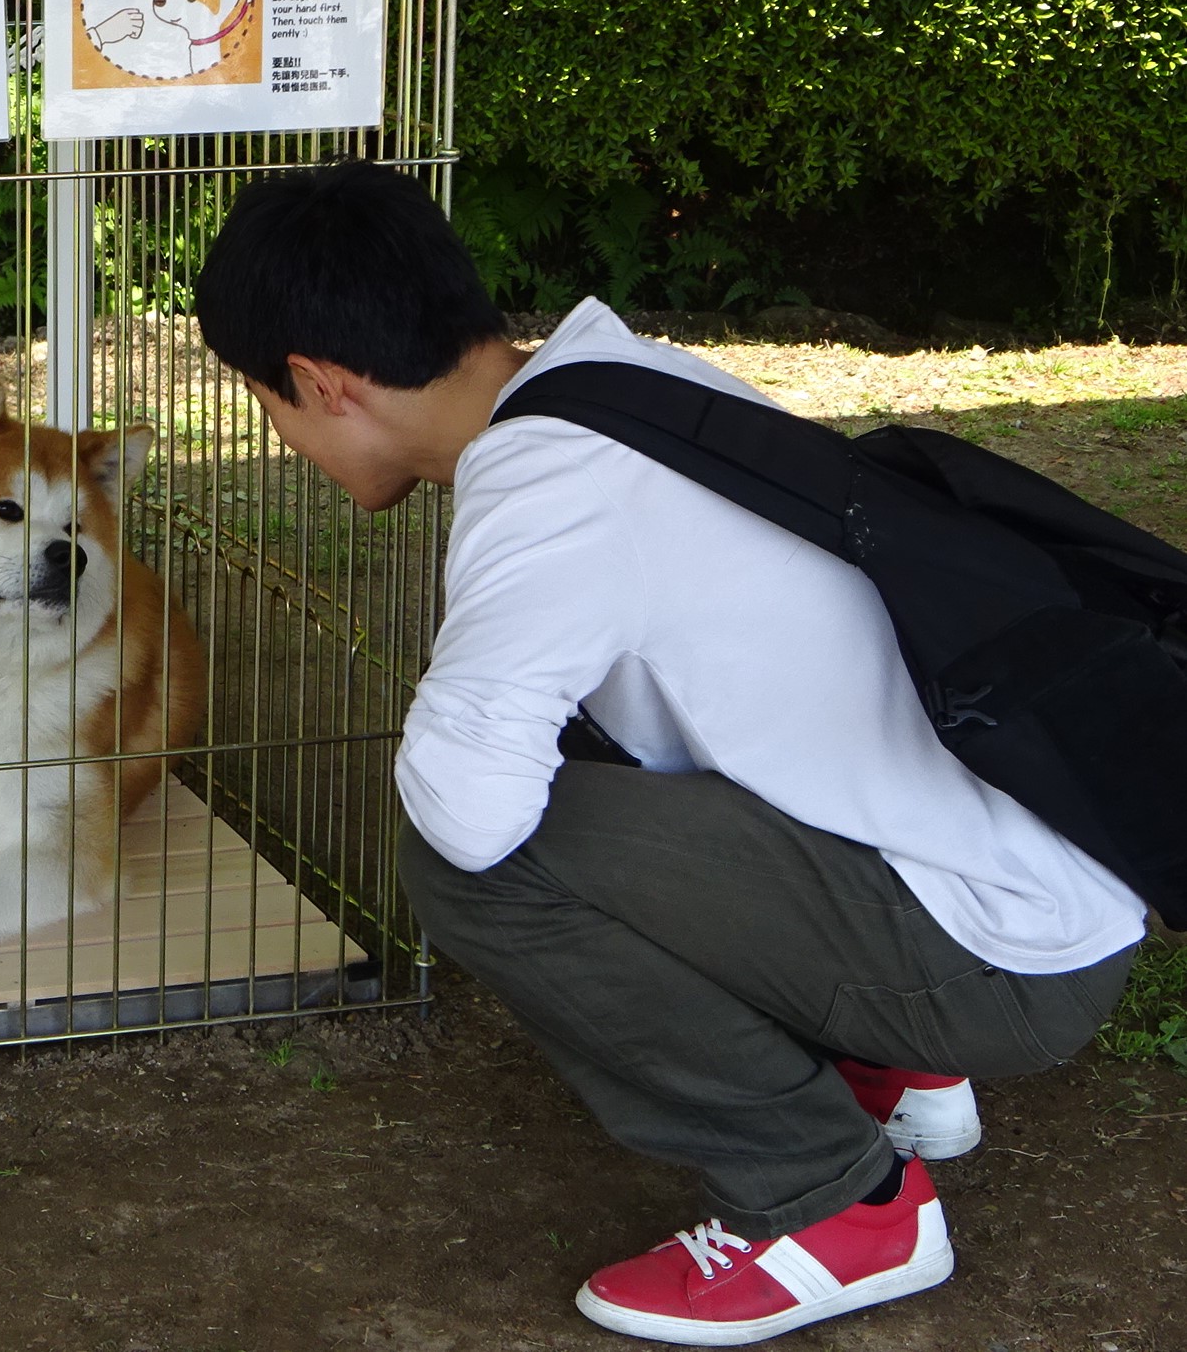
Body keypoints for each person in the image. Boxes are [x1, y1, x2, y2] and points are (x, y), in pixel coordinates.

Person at [191, 159, 1145, 1346]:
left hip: (997, 957)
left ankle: (829, 1201)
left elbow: (470, 811)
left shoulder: (547, 489)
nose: (286, 445)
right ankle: (883, 1069)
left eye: (271, 413)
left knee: (476, 867)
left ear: (319, 382)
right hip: (1028, 866)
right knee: (587, 741)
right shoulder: (611, 376)